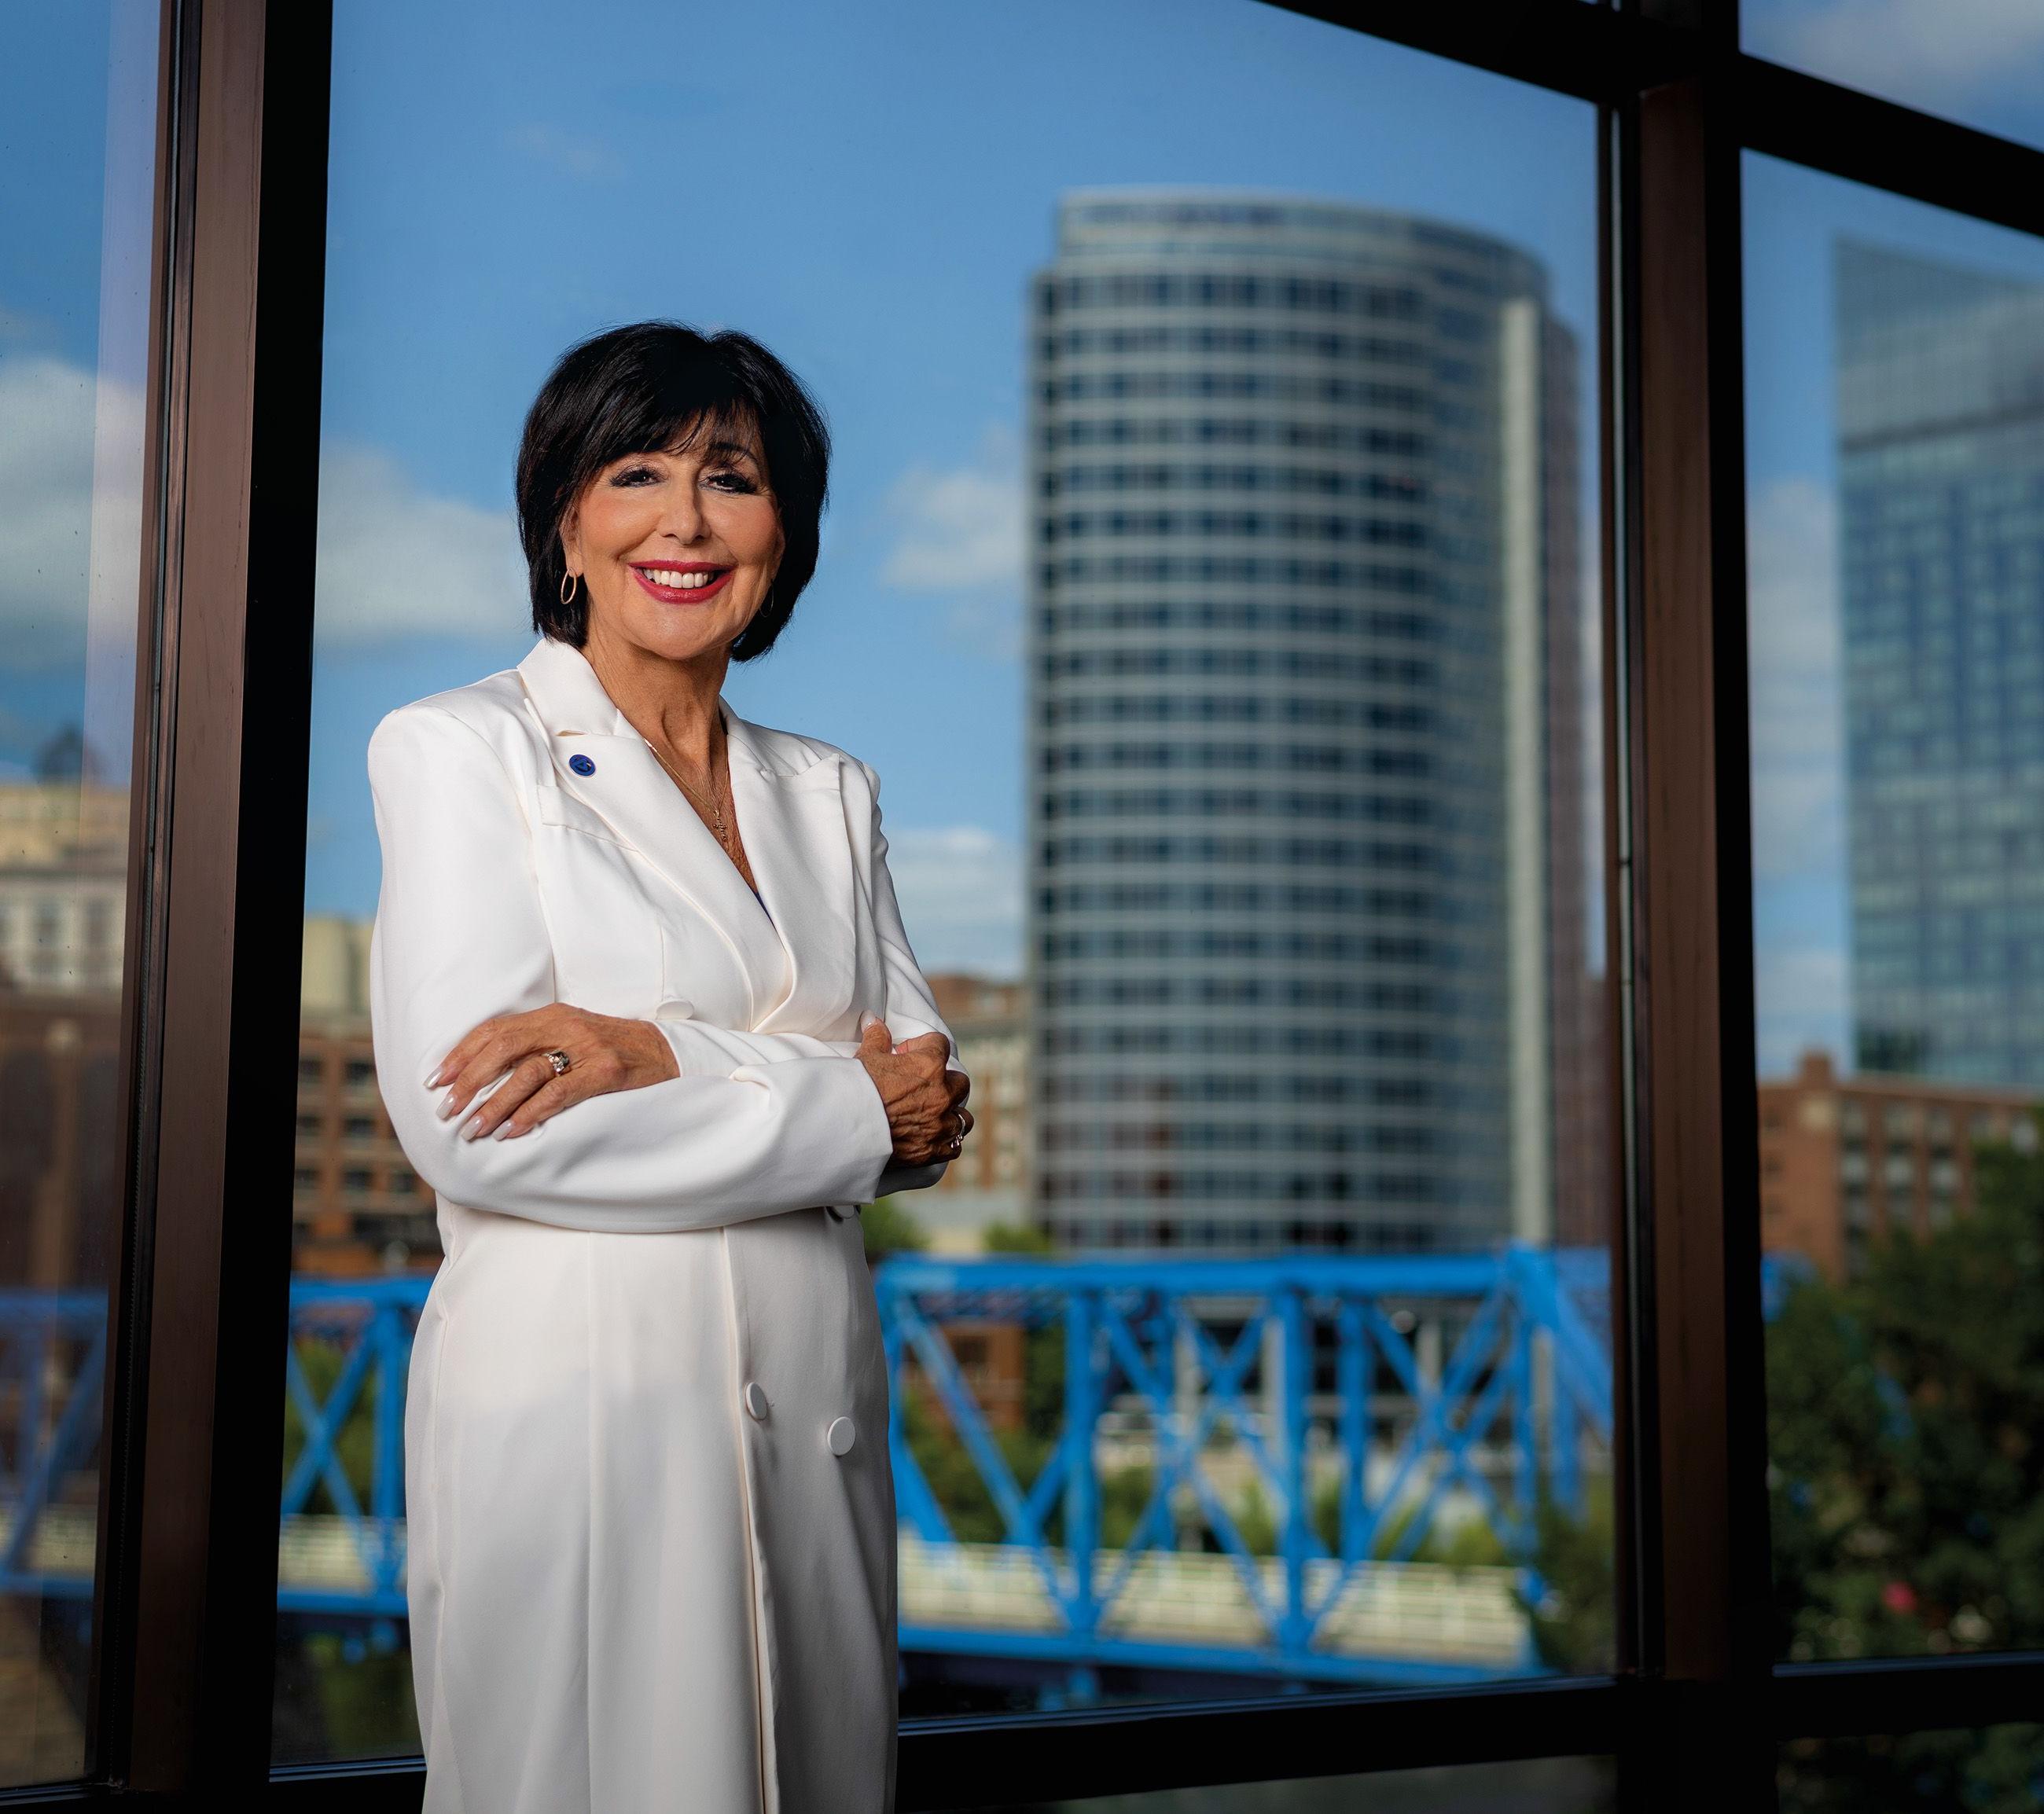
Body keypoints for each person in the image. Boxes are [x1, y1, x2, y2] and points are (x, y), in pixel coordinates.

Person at [367, 321, 972, 1814]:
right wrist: (824, 1096)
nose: (685, 522)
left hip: (815, 1407)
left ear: (786, 533)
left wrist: (644, 1053)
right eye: (635, 473)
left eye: (733, 478)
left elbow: (925, 1111)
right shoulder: (461, 751)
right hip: (583, 1412)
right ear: (565, 520)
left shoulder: (830, 790)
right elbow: (482, 1132)